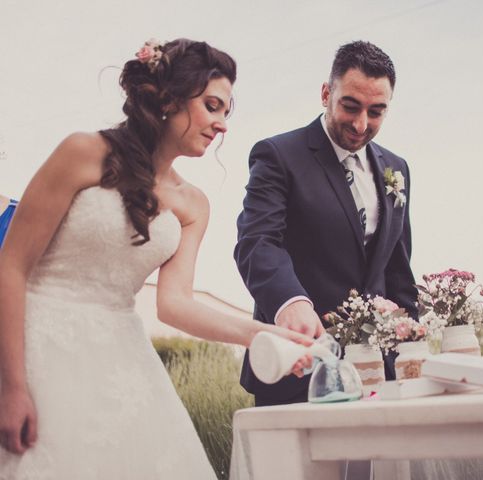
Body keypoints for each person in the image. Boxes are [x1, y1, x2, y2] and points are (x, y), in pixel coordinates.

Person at [0, 38, 312, 479]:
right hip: (38, 350)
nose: (221, 123)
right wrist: (11, 386)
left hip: (122, 361)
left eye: (227, 111)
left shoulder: (194, 205)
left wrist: (265, 333)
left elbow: (176, 304)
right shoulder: (83, 153)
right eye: (212, 105)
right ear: (168, 98)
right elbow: (10, 266)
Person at [235, 40, 417, 407]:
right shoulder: (278, 156)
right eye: (350, 106)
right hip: (299, 365)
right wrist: (289, 303)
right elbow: (259, 241)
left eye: (376, 112)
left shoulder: (396, 169)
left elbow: (396, 267)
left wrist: (412, 346)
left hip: (378, 375)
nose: (361, 124)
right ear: (325, 93)